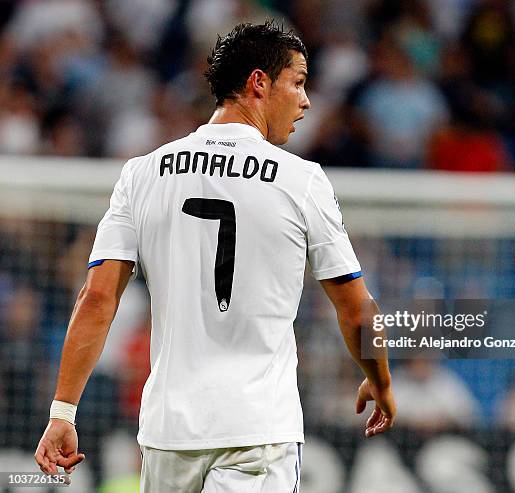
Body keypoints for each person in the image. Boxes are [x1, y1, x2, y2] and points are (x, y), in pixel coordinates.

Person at [34, 21, 396, 492]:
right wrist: (380, 379)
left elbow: (97, 299)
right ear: (258, 83)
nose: (307, 101)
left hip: (168, 435)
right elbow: (356, 310)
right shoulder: (300, 180)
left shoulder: (142, 174)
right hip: (256, 431)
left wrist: (63, 411)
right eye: (299, 82)